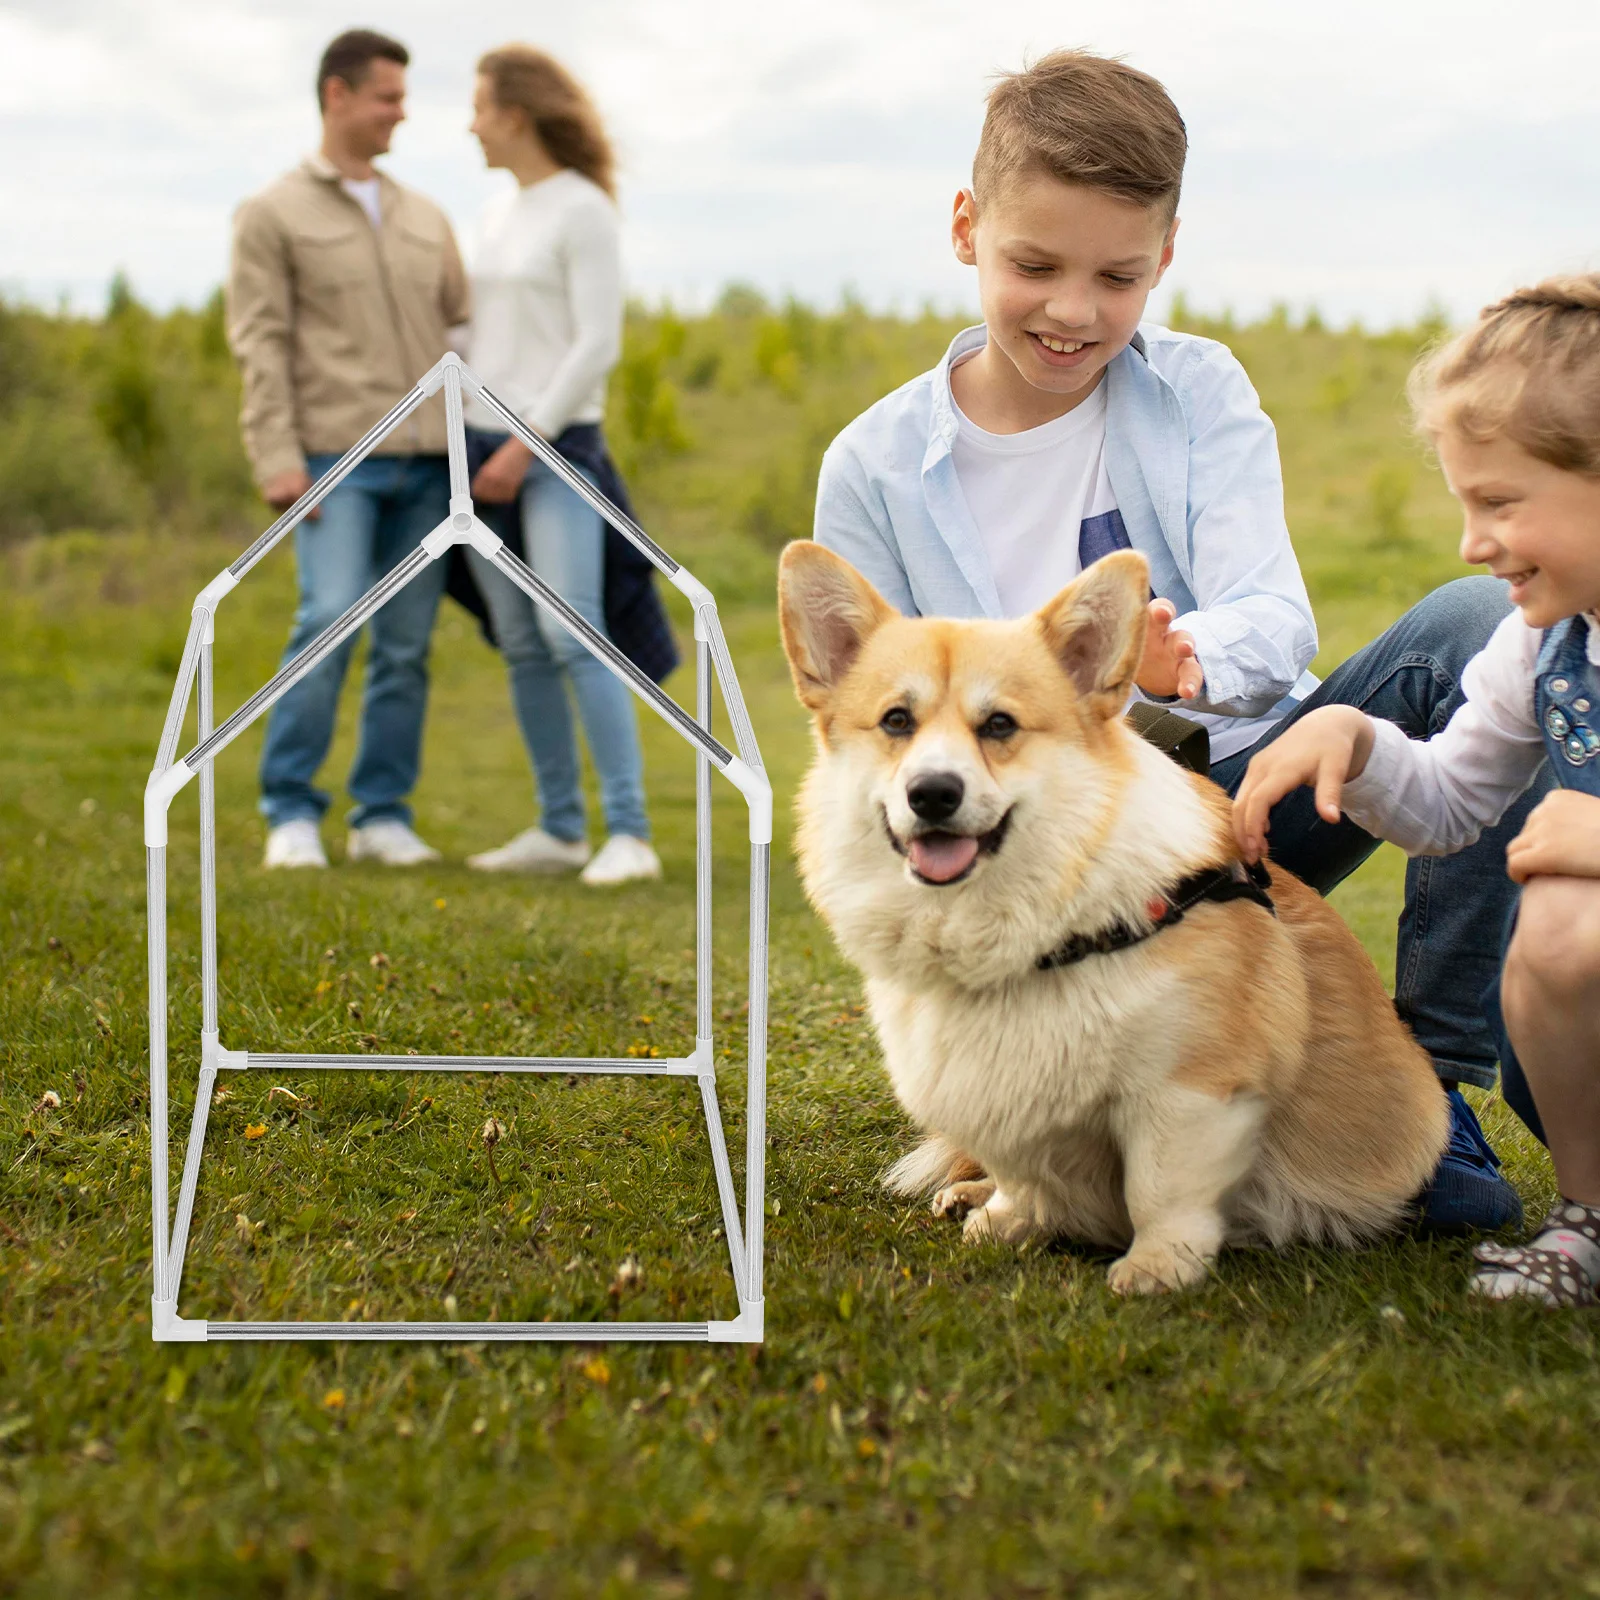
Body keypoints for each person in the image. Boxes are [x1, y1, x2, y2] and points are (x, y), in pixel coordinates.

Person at [813, 49, 1543, 1231]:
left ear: (1164, 257)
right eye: (1033, 265)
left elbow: (1273, 612)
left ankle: (1430, 1073)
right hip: (1047, 832)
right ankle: (1020, 1113)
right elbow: (881, 735)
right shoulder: (873, 466)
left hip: (1243, 792)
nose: (1073, 311)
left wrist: (1177, 661)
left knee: (1468, 630)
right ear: (965, 230)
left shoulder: (1199, 390)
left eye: (1118, 275)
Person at [1235, 276, 1600, 1305]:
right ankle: (1587, 1220)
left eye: (1499, 503)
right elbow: (1447, 805)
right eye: (1461, 503)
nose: (1471, 545)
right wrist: (1355, 736)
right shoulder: (1543, 646)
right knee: (1559, 934)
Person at [228, 29, 468, 870]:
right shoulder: (272, 214)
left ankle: (382, 814)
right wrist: (275, 457)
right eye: (388, 97)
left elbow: (462, 331)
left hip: (431, 468)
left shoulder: (425, 215)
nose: (401, 112)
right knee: (327, 622)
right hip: (334, 462)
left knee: (405, 646)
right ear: (337, 95)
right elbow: (259, 341)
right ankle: (290, 811)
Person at [457, 45, 661, 886]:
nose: (469, 123)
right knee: (518, 639)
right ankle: (558, 827)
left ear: (516, 111)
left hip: (551, 451)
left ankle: (631, 834)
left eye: (478, 106)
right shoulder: (497, 211)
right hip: (474, 450)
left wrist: (522, 443)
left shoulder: (583, 211)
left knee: (574, 630)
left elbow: (596, 345)